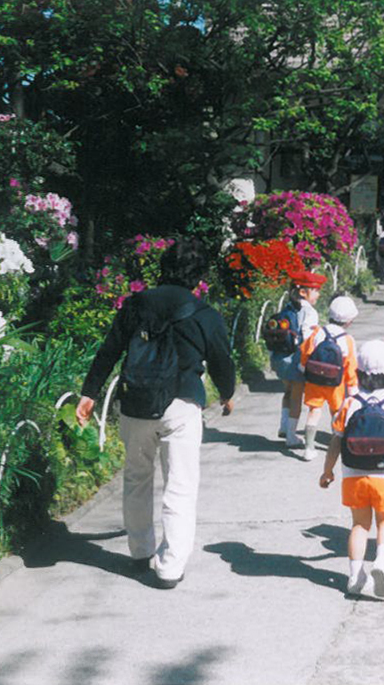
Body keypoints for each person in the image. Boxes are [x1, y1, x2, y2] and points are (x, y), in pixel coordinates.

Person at [76, 238, 235, 589]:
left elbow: (110, 350)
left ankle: (139, 552)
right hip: (181, 406)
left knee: (136, 477)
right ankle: (169, 568)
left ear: (162, 269)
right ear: (200, 277)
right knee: (180, 484)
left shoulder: (135, 304)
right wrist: (227, 394)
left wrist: (89, 393)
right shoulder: (204, 313)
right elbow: (222, 360)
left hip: (137, 405)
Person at [319, 340, 384, 598]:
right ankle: (381, 562)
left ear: (358, 372)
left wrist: (327, 471)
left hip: (353, 475)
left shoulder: (349, 403)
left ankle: (356, 575)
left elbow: (336, 441)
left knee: (359, 525)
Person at [270, 270, 327, 449]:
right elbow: (307, 338)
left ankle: (284, 426)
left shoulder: (288, 307)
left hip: (279, 358)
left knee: (287, 392)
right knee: (297, 398)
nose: (318, 294)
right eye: (315, 290)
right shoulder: (309, 312)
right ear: (303, 292)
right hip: (296, 360)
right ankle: (291, 436)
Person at [300, 295, 359, 462]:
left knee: (314, 411)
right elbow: (351, 366)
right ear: (349, 321)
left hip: (314, 380)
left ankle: (308, 448)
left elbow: (305, 352)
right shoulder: (347, 340)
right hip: (336, 383)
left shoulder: (318, 332)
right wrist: (352, 388)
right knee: (337, 413)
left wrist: (304, 368)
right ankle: (337, 444)